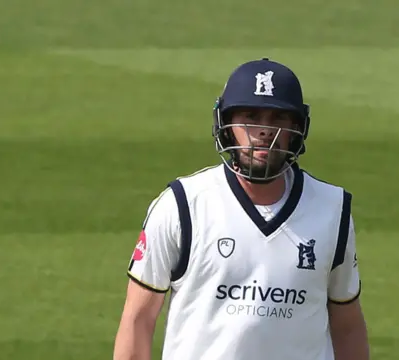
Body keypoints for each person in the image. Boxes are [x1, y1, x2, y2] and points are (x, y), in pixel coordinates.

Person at [113, 58, 369, 360]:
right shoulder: (182, 205)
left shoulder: (332, 209)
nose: (264, 131)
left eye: (278, 118)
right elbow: (139, 319)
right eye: (250, 116)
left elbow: (347, 324)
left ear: (297, 129)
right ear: (226, 124)